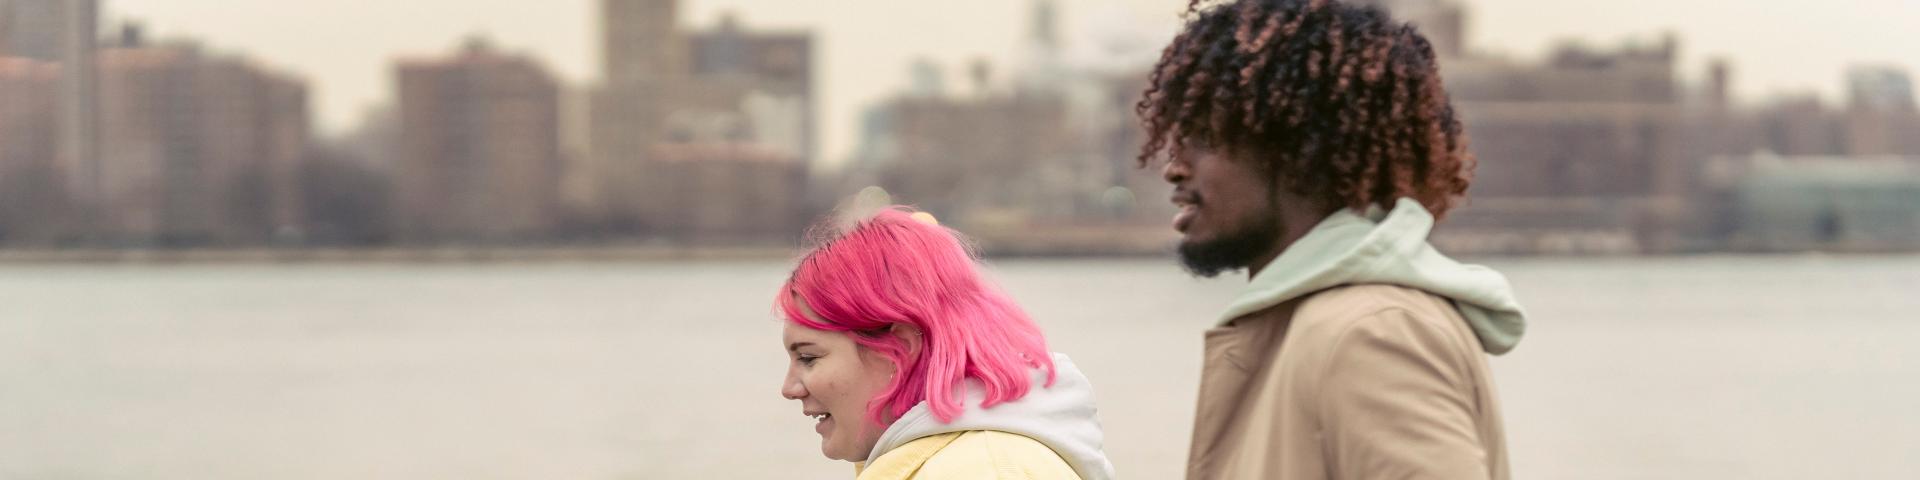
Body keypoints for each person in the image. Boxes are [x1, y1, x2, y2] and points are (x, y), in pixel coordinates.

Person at [1134, 0, 1530, 478]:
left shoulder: (1371, 333)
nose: (1175, 167)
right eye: (1175, 139)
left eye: (1206, 138)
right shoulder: (1316, 325)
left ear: (1298, 153)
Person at [776, 207, 1114, 480]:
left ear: (900, 348)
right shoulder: (969, 461)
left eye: (808, 357)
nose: (789, 388)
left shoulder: (982, 471)